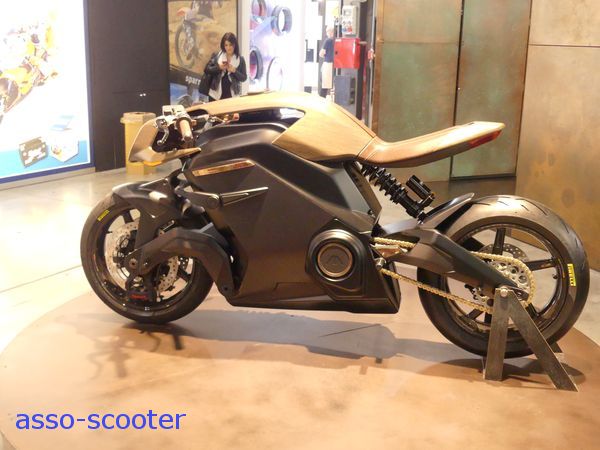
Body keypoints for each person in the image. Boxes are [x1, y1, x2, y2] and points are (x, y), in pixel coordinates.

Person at [204, 32, 247, 101]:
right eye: (226, 45)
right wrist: (219, 68)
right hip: (215, 94)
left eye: (230, 45)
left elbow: (244, 78)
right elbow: (207, 69)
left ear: (235, 45)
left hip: (232, 95)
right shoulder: (217, 56)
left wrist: (234, 71)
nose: (228, 48)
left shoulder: (240, 60)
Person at [318, 26, 334, 98]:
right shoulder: (335, 40)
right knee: (329, 84)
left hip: (327, 64)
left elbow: (321, 54)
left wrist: (326, 55)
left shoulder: (327, 41)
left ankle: (321, 99)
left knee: (324, 85)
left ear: (329, 32)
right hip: (334, 64)